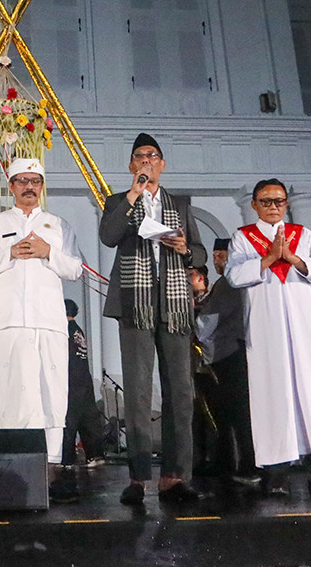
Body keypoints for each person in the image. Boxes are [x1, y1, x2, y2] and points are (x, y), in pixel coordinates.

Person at [100, 134, 205, 506]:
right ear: (132, 165)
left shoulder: (178, 203)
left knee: (180, 391)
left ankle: (176, 476)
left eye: (153, 156)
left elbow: (199, 250)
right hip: (135, 303)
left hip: (174, 303)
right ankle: (139, 477)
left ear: (162, 164)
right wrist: (132, 196)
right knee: (139, 391)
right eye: (139, 157)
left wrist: (185, 249)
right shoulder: (118, 202)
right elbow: (109, 236)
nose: (146, 161)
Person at [0, 157, 83, 503]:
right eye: (22, 181)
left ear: (42, 185)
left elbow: (75, 269)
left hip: (49, 322)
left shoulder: (57, 225)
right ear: (11, 186)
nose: (29, 187)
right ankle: (9, 463)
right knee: (10, 391)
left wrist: (47, 251)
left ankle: (51, 466)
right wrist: (10, 253)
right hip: (7, 322)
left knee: (51, 391)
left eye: (35, 180)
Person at [226, 179, 311, 497]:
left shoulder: (303, 235)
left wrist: (292, 257)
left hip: (304, 324)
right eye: (266, 201)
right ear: (254, 205)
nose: (274, 207)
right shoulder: (243, 238)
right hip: (265, 326)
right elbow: (234, 276)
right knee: (271, 391)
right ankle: (276, 469)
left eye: (279, 201)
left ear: (287, 203)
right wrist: (268, 258)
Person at [195, 238, 257, 487]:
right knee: (232, 412)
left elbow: (209, 321)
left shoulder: (230, 283)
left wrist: (193, 330)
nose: (217, 260)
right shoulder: (235, 283)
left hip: (229, 352)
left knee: (237, 412)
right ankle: (234, 461)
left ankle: (247, 464)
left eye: (222, 255)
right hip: (234, 350)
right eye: (216, 255)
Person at [62, 298, 104, 468]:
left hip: (71, 380)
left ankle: (66, 458)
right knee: (88, 419)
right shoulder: (78, 330)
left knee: (68, 421)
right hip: (84, 380)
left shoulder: (64, 331)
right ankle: (95, 454)